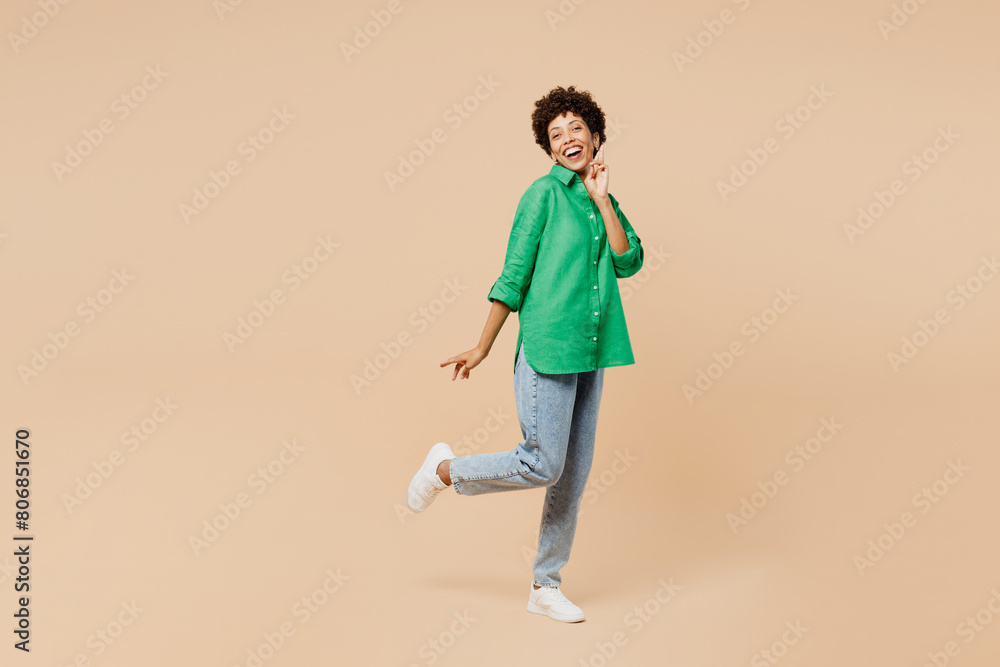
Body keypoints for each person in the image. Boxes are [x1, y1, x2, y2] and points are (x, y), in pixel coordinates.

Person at [406, 84, 644, 623]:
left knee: (571, 478)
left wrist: (603, 199)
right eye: (556, 134)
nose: (567, 139)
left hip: (592, 350)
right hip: (547, 347)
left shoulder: (602, 199)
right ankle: (445, 470)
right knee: (543, 463)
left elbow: (628, 262)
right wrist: (483, 345)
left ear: (595, 135)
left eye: (576, 128)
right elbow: (514, 274)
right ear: (549, 148)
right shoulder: (541, 195)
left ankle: (545, 585)